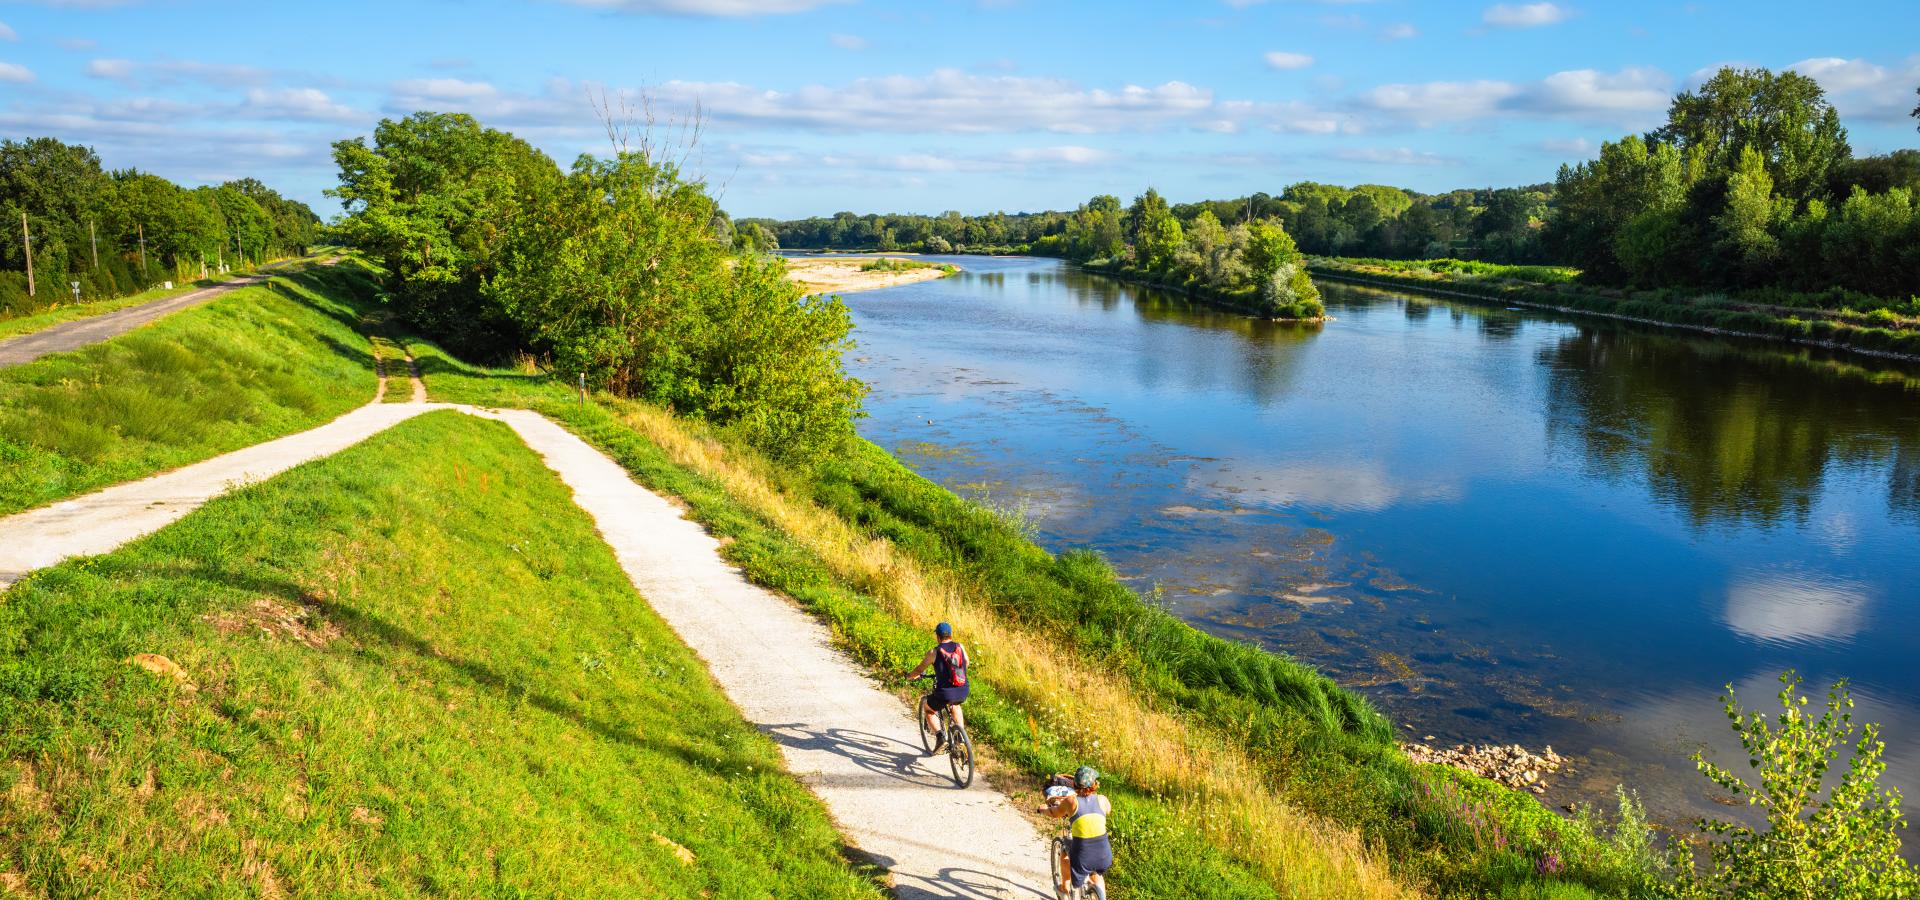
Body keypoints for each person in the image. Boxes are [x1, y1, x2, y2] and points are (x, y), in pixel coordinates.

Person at [1039, 766, 1111, 897]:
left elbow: (1054, 813)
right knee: (1097, 874)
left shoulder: (1070, 801)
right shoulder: (1103, 799)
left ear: (1073, 784)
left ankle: (1064, 889)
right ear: (1095, 784)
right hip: (1104, 854)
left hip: (1083, 856)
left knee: (1065, 854)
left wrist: (1043, 809)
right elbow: (1107, 811)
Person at [902, 622, 969, 751]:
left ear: (938, 636)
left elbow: (920, 669)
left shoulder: (934, 652)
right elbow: (966, 662)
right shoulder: (960, 646)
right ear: (950, 635)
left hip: (945, 693)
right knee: (955, 705)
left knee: (928, 709)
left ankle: (940, 738)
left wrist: (910, 676)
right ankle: (960, 737)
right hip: (963, 689)